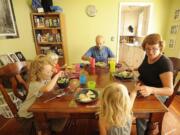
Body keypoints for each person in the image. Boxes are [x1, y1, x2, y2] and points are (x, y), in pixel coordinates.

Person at [18, 54, 67, 133]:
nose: (50, 73)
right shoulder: (34, 83)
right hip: (28, 115)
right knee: (42, 129)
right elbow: (47, 89)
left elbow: (50, 85)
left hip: (38, 106)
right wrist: (57, 75)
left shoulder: (44, 78)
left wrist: (55, 73)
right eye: (48, 72)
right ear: (38, 73)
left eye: (51, 70)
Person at [136, 33, 174, 135]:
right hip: (144, 88)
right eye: (148, 49)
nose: (150, 52)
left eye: (154, 49)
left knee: (140, 111)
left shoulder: (165, 63)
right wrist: (131, 69)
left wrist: (151, 90)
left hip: (158, 94)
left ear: (160, 48)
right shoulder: (147, 55)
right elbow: (142, 69)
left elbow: (170, 90)